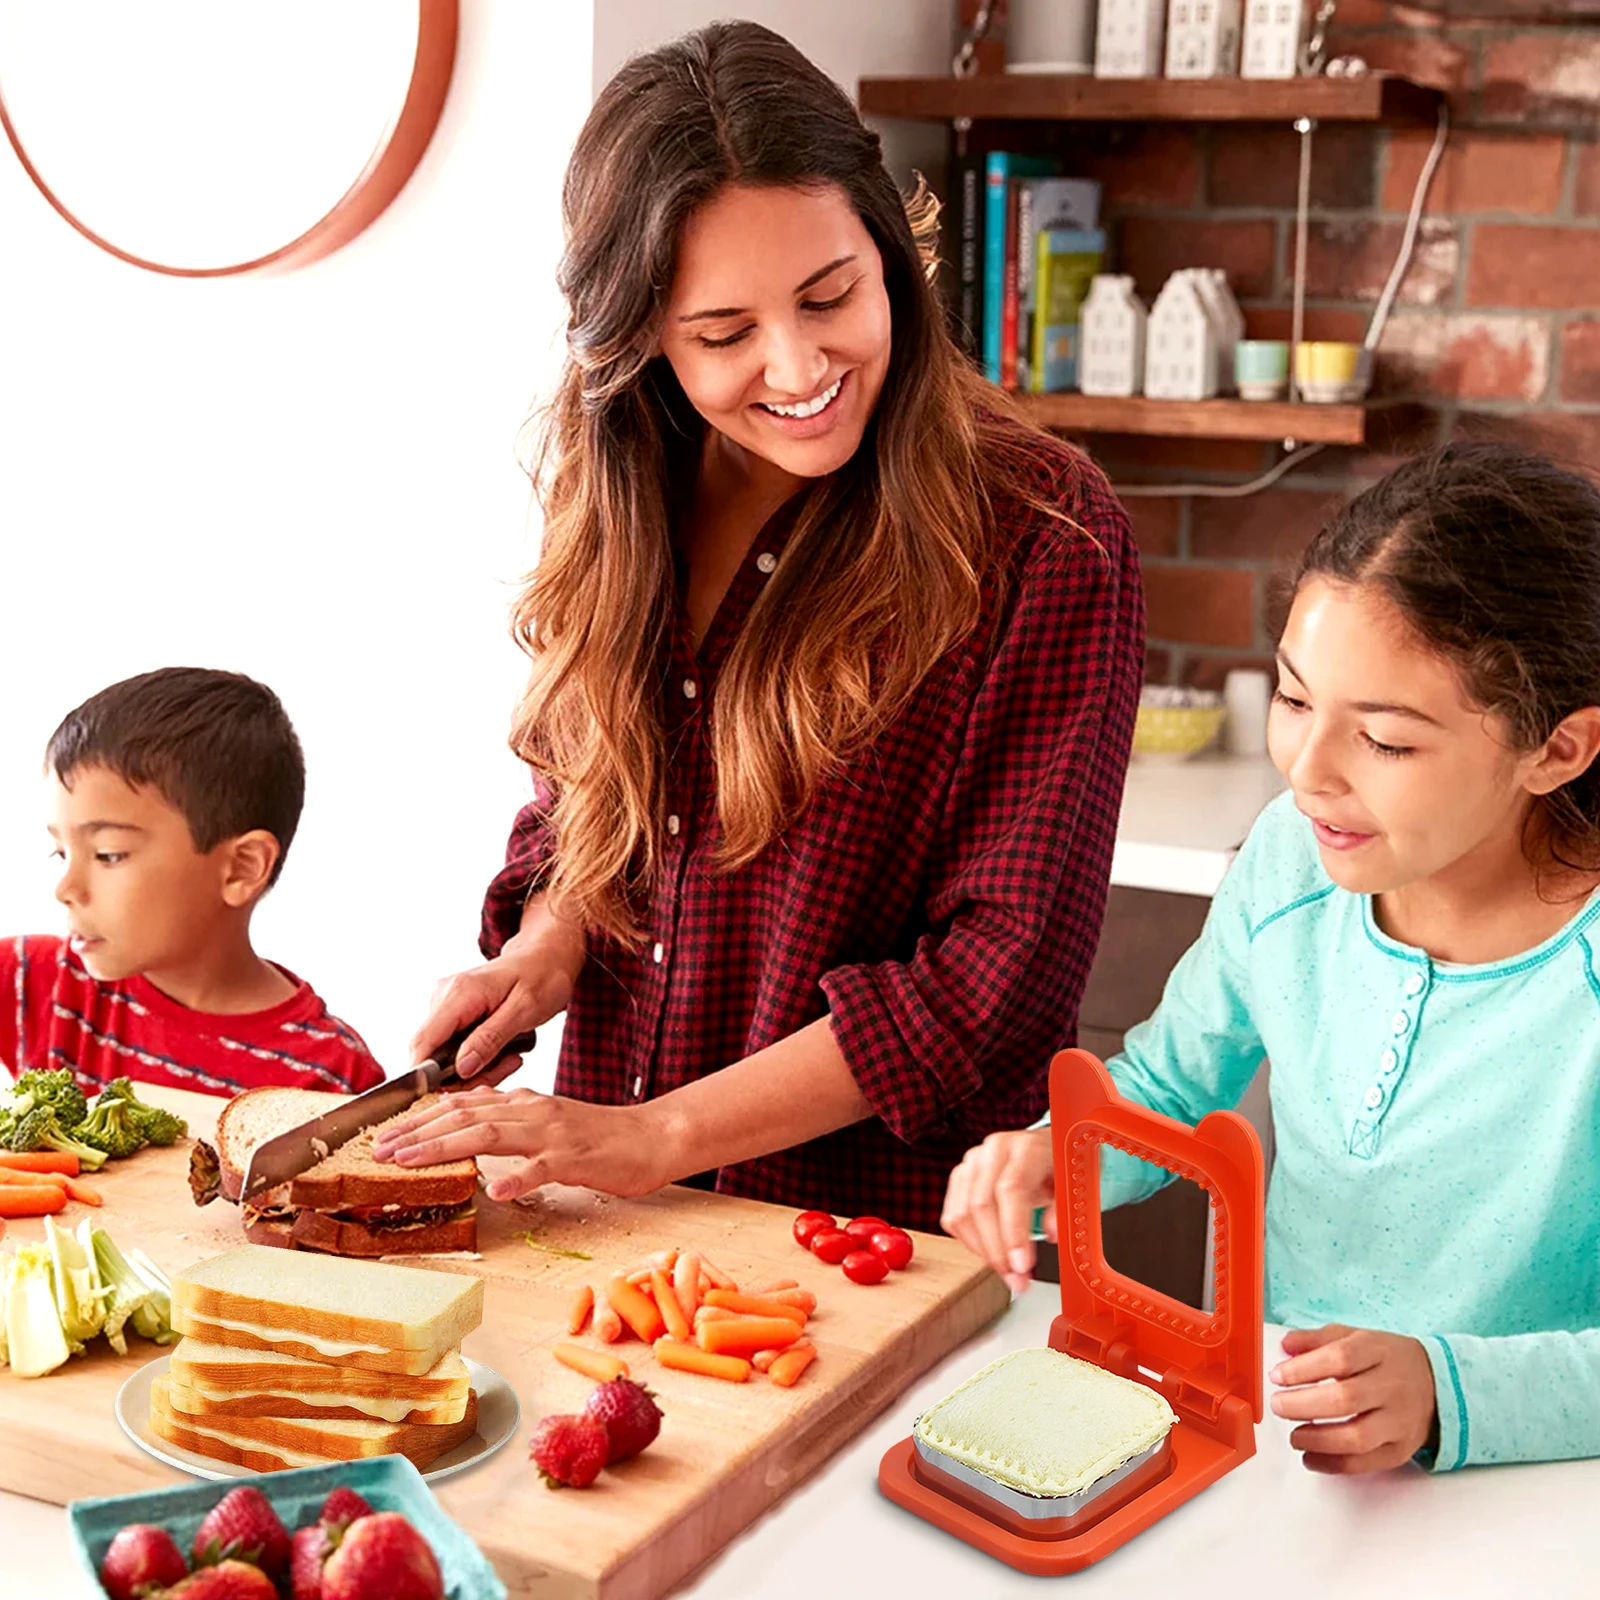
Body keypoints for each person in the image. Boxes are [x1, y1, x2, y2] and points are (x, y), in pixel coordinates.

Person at [373, 21, 1143, 1231]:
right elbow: (592, 800)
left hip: (868, 1249)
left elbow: (995, 980)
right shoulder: (624, 494)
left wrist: (659, 1134)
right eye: (723, 335)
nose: (799, 366)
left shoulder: (1043, 534)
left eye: (830, 294)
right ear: (641, 340)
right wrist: (546, 945)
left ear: (887, 250)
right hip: (606, 1229)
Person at [943, 441, 1600, 1475]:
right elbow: (1161, 1086)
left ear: (1556, 748)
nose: (1308, 772)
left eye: (1384, 739)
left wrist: (1447, 1393)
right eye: (1295, 702)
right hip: (1280, 1451)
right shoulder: (1290, 862)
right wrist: (1053, 1154)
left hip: (1535, 1491)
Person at [0, 667, 383, 1097]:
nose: (66, 888)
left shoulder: (329, 1078)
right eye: (61, 853)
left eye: (108, 855)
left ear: (242, 868)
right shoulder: (33, 981)